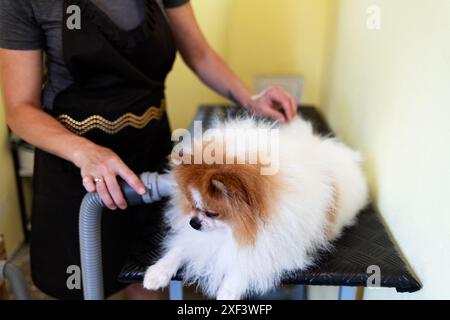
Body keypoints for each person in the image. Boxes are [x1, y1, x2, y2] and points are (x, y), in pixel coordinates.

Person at [0, 0, 297, 299]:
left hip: (150, 150)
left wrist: (250, 99)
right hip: (76, 164)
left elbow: (200, 54)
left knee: (148, 278)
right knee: (79, 283)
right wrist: (84, 152)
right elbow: (19, 110)